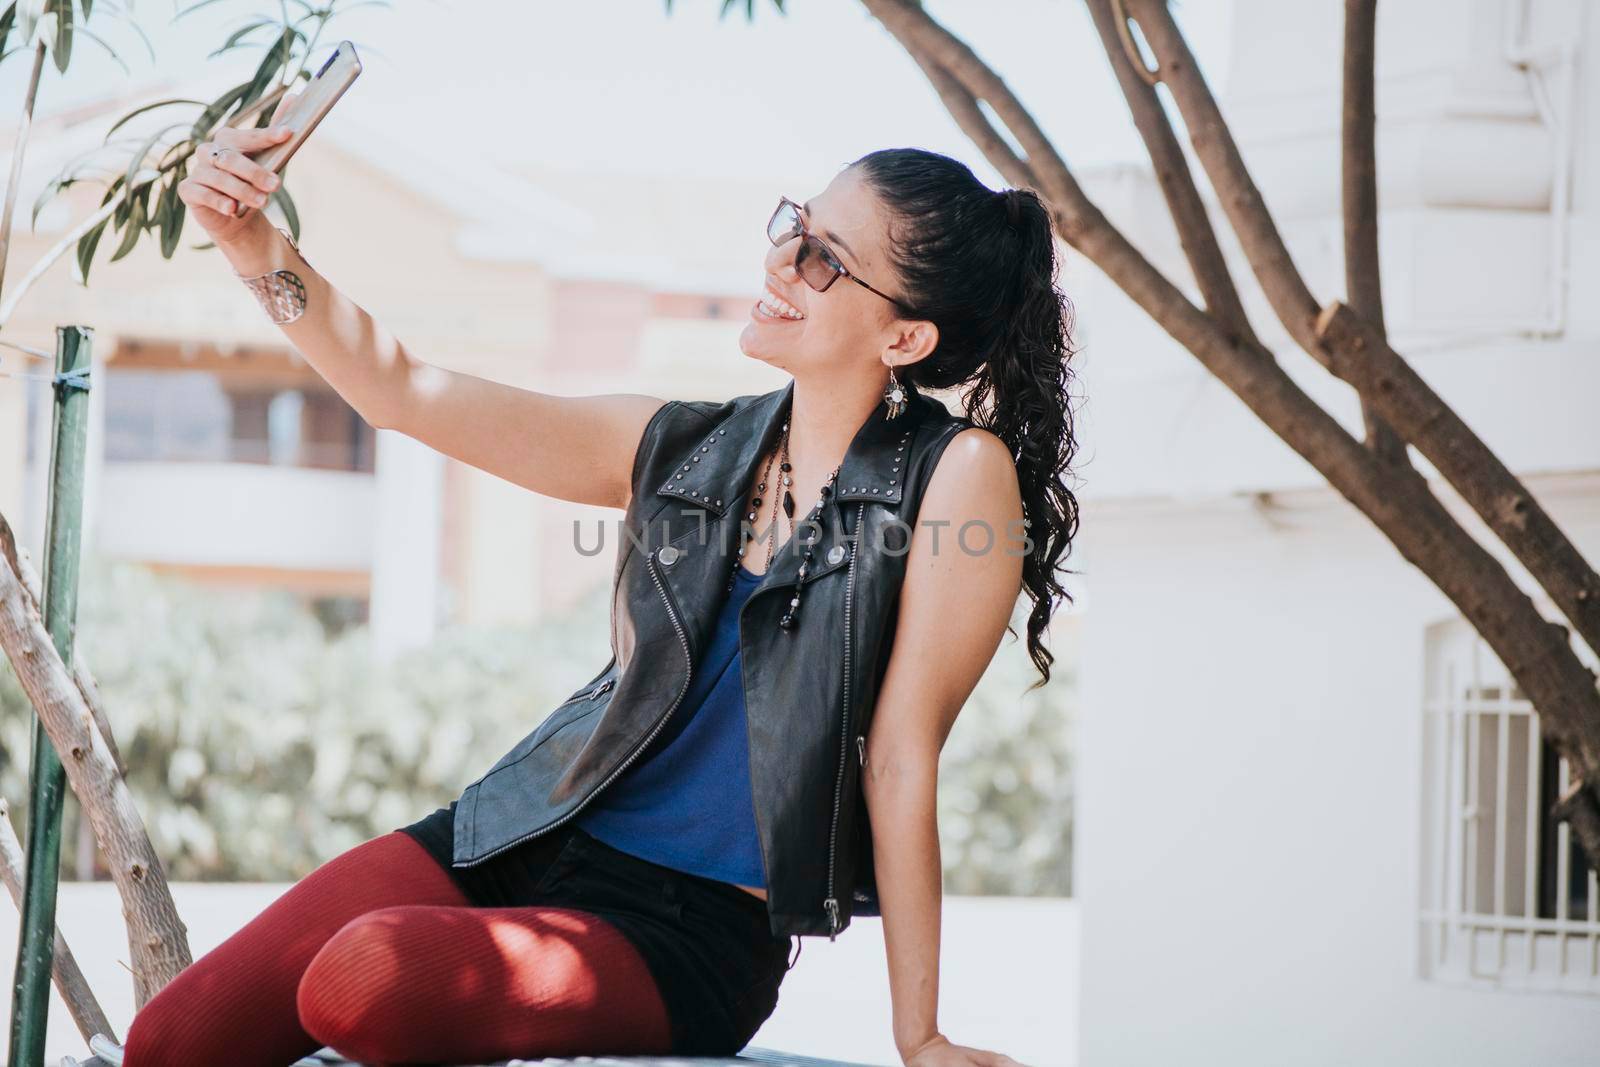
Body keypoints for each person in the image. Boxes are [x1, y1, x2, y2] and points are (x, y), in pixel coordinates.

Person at [110, 88, 1078, 1066]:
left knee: (365, 979)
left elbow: (900, 756)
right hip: (525, 831)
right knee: (171, 1040)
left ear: (903, 338)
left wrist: (921, 1035)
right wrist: (249, 244)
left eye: (824, 259)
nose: (780, 262)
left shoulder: (955, 475)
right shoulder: (682, 445)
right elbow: (403, 392)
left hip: (682, 930)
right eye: (795, 227)